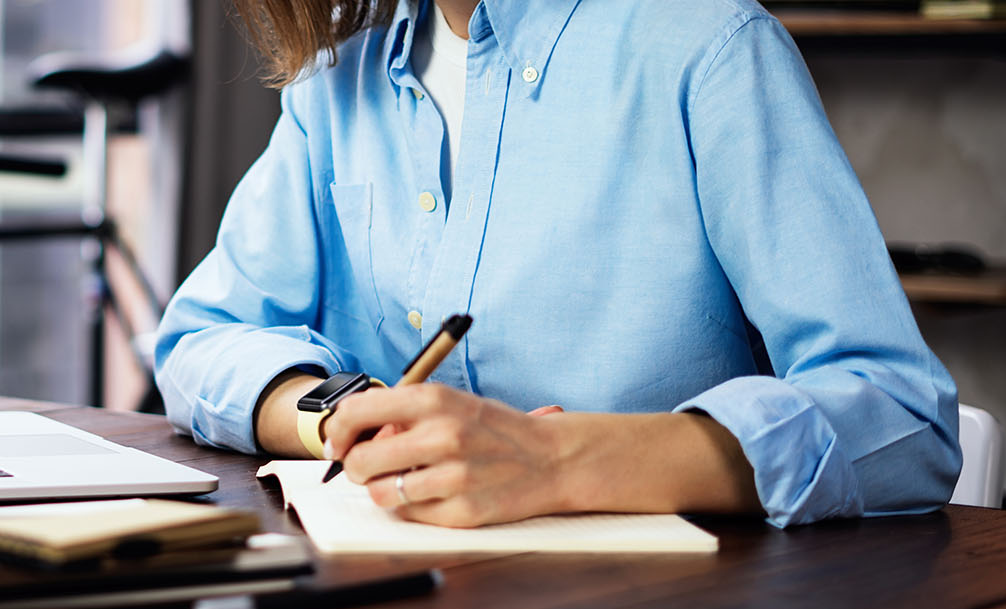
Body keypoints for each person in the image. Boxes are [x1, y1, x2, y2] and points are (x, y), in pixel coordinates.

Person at [153, 0, 961, 528]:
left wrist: (559, 464)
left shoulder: (707, 47)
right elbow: (201, 337)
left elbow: (902, 418)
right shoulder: (335, 86)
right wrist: (343, 413)